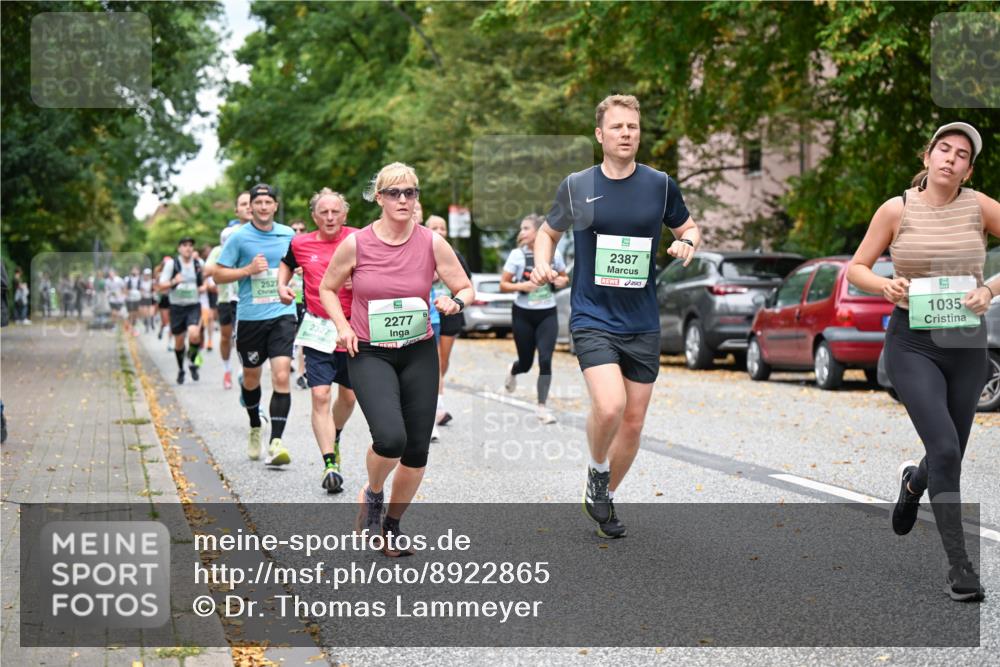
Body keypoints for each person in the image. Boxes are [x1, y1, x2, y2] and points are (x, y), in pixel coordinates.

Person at [532, 94, 700, 538]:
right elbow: (547, 234)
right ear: (600, 134)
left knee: (634, 420)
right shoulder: (577, 185)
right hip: (592, 315)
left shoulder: (660, 185)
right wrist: (544, 262)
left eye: (633, 127)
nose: (627, 134)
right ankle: (596, 468)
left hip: (642, 319)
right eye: (619, 127)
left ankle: (601, 493)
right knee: (610, 405)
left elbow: (687, 227)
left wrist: (687, 243)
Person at [847, 122, 999, 602]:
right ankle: (961, 568)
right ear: (929, 156)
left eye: (961, 155)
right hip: (913, 343)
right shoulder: (898, 209)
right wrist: (884, 286)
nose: (950, 159)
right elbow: (857, 269)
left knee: (946, 450)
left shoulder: (979, 206)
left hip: (966, 344)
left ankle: (914, 483)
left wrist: (990, 288)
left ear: (968, 169)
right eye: (943, 149)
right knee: (948, 452)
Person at [319, 162, 473, 555]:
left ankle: (391, 525)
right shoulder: (356, 244)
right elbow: (328, 288)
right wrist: (342, 326)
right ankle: (372, 494)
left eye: (410, 193)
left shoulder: (431, 242)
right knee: (390, 439)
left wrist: (453, 301)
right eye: (394, 193)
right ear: (379, 198)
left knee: (417, 450)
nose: (403, 200)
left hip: (419, 351)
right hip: (370, 352)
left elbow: (465, 287)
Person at [279, 189, 358, 494]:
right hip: (317, 330)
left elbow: (379, 273)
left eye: (335, 212)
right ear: (314, 217)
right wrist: (281, 285)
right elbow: (286, 263)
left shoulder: (358, 240)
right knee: (321, 395)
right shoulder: (300, 243)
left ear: (344, 215)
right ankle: (330, 464)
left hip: (352, 330)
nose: (329, 217)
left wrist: (359, 278)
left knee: (348, 398)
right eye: (323, 212)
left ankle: (335, 435)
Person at [213, 183, 296, 468]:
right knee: (251, 377)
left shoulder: (288, 234)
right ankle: (254, 426)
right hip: (250, 317)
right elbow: (218, 276)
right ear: (251, 206)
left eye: (267, 202)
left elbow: (301, 267)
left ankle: (276, 442)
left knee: (282, 375)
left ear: (275, 205)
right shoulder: (238, 238)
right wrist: (247, 270)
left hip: (283, 313)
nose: (262, 207)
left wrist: (296, 281)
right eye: (257, 202)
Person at [501, 213, 569, 424]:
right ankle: (513, 369)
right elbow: (504, 285)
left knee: (546, 359)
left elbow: (565, 277)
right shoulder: (517, 256)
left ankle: (542, 407)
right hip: (523, 313)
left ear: (538, 232)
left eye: (525, 228)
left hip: (547, 313)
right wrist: (523, 286)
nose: (522, 233)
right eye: (522, 229)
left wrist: (560, 280)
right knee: (526, 363)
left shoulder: (553, 255)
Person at [424, 215, 473, 430]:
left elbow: (466, 285)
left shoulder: (455, 255)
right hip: (429, 312)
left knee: (442, 361)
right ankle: (437, 406)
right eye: (434, 227)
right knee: (431, 361)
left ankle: (438, 397)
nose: (439, 230)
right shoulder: (420, 252)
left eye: (442, 228)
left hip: (450, 311)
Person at [204, 191, 252, 390]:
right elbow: (209, 270)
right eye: (244, 204)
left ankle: (244, 370)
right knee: (226, 336)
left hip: (249, 298)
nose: (249, 207)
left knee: (242, 336)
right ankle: (226, 369)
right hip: (226, 297)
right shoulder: (225, 241)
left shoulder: (263, 235)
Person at [159, 238, 206, 384]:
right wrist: (174, 281)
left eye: (191, 246)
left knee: (194, 334)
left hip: (193, 305)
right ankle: (181, 369)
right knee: (179, 342)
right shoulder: (171, 264)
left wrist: (203, 287)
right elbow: (161, 285)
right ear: (179, 248)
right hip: (177, 307)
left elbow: (205, 282)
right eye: (185, 246)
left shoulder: (198, 263)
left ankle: (192, 362)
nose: (188, 248)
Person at [288, 219, 309, 389]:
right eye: (294, 229)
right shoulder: (284, 250)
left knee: (302, 337)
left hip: (302, 300)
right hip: (285, 302)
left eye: (301, 229)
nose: (298, 232)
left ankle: (301, 373)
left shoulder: (308, 250)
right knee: (290, 336)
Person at [200, 243, 217, 352]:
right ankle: (201, 339)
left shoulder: (216, 263)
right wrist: (206, 285)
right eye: (206, 251)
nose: (209, 253)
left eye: (210, 250)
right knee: (202, 320)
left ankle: (210, 341)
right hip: (203, 294)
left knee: (211, 318)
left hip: (213, 294)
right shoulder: (201, 264)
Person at [154, 257, 172, 345]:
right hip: (163, 298)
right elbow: (157, 286)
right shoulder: (159, 274)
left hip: (173, 298)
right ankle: (161, 328)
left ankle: (170, 342)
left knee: (172, 322)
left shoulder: (174, 273)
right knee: (165, 321)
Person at [124, 266, 143, 336]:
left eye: (136, 270)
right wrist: (127, 294)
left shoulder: (140, 279)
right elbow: (125, 288)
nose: (134, 272)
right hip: (129, 298)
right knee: (131, 313)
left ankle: (132, 327)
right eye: (133, 270)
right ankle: (130, 327)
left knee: (135, 314)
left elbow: (141, 289)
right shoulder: (127, 279)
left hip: (137, 298)